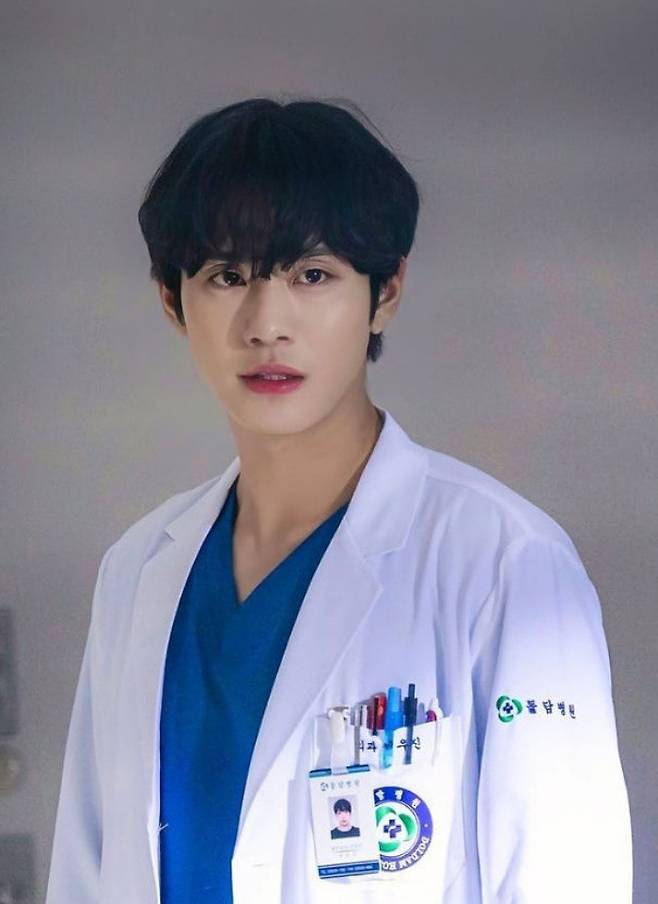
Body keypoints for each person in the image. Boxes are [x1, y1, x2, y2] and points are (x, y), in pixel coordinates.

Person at [45, 96, 633, 904]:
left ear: (385, 292)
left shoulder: (505, 564)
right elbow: (84, 874)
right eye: (227, 277)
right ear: (172, 301)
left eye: (312, 275)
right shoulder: (137, 571)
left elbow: (564, 880)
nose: (266, 324)